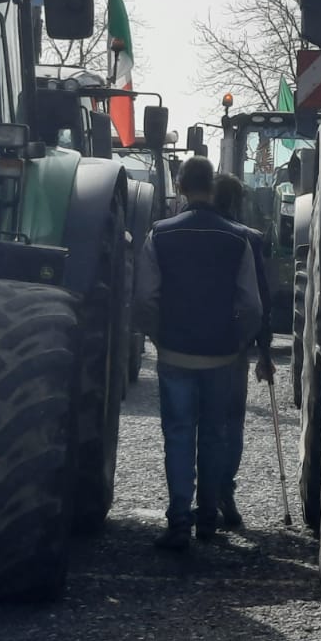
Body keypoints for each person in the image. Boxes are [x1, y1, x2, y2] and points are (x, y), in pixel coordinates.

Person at [134, 157, 263, 550]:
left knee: (177, 435)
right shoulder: (238, 237)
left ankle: (178, 522)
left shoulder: (160, 235)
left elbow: (145, 298)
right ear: (212, 185)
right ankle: (208, 519)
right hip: (222, 355)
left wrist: (158, 337)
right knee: (214, 435)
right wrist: (238, 340)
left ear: (181, 185)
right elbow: (252, 305)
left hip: (175, 352)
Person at [212, 173, 274, 528]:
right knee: (232, 420)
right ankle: (224, 489)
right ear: (238, 202)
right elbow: (261, 301)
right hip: (234, 344)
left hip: (191, 341)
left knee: (199, 420)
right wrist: (263, 351)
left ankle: (200, 495)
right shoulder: (250, 239)